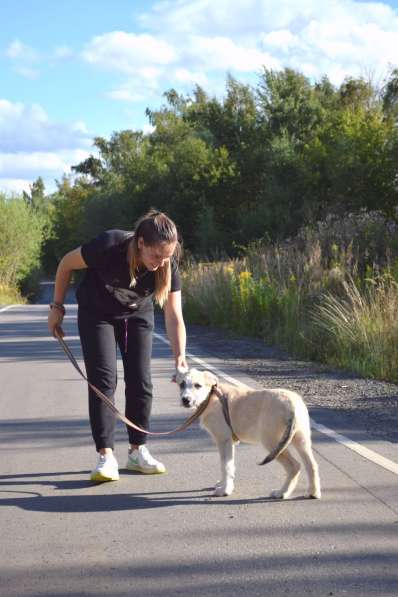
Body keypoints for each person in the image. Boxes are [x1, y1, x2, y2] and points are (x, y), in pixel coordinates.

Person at [48, 209, 187, 483]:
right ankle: (106, 456)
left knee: (141, 380)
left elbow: (174, 314)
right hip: (96, 313)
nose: (161, 263)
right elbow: (66, 263)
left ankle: (138, 451)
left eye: (167, 257)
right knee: (103, 382)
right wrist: (57, 307)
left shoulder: (167, 265)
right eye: (156, 256)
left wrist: (179, 356)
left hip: (137, 314)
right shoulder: (109, 245)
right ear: (140, 243)